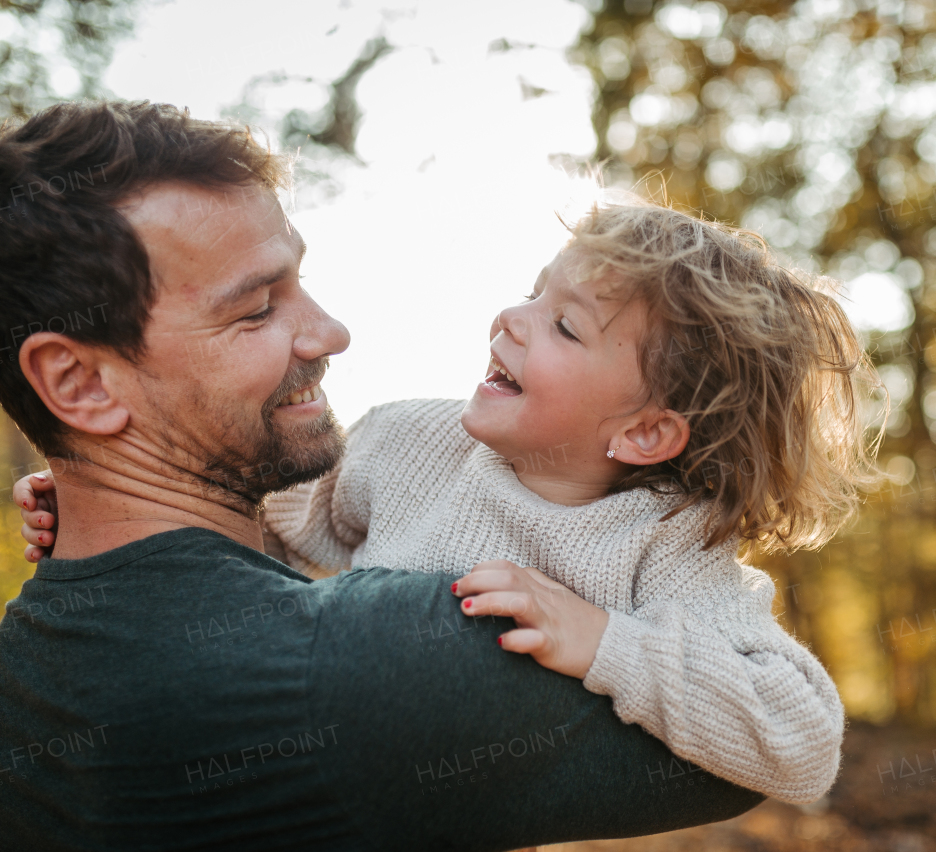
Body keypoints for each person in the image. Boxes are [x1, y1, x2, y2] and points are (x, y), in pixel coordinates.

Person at [0, 100, 764, 851]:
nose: (331, 332)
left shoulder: (25, 676)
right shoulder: (405, 651)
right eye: (259, 308)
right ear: (79, 385)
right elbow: (750, 751)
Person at [20, 201, 882, 804]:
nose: (512, 316)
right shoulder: (407, 443)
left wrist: (607, 644)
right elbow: (270, 537)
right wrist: (102, 511)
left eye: (564, 326)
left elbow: (801, 744)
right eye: (534, 290)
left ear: (647, 435)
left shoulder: (664, 544)